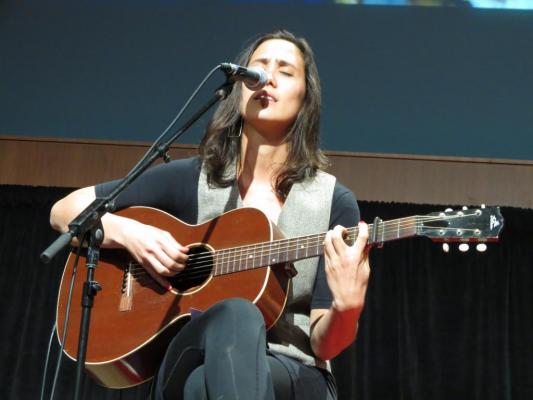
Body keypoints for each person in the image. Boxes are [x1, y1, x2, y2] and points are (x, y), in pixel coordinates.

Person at [50, 29, 371, 400]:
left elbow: (324, 345)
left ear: (305, 99)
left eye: (285, 71)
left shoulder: (332, 200)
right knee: (236, 315)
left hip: (292, 367)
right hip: (190, 349)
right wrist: (128, 233)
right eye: (259, 67)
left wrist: (347, 309)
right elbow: (66, 211)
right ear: (238, 87)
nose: (267, 77)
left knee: (203, 384)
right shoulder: (196, 178)